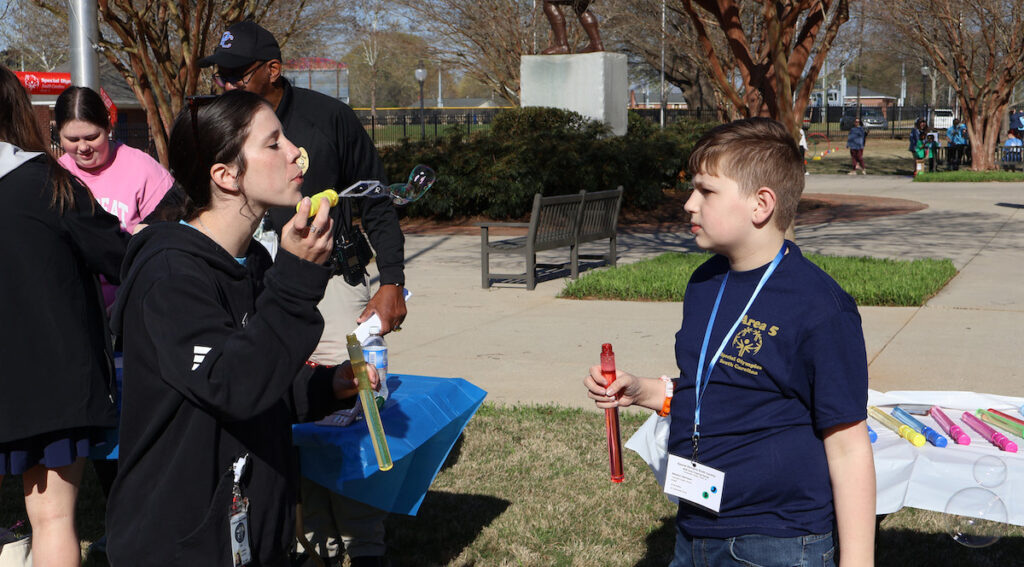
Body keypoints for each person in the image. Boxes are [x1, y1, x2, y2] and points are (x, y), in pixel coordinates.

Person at [584, 118, 875, 567]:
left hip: (776, 539)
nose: (688, 204)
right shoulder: (705, 281)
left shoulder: (821, 309)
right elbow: (714, 387)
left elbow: (849, 446)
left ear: (761, 204)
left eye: (706, 191)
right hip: (696, 527)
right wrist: (642, 390)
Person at [105, 90, 378, 565]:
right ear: (226, 175)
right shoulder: (170, 275)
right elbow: (231, 383)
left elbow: (259, 370)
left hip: (250, 530)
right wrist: (295, 281)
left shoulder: (250, 260)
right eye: (274, 143)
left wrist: (321, 386)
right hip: (184, 541)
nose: (296, 152)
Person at [193, 21, 404, 566]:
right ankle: (317, 542)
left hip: (332, 284)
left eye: (237, 74)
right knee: (284, 408)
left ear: (272, 70)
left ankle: (362, 540)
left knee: (348, 409)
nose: (226, 83)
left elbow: (377, 199)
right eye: (220, 75)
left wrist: (393, 281)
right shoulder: (223, 126)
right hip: (262, 284)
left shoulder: (327, 117)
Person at [0, 63, 128, 567]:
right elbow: (119, 255)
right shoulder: (47, 183)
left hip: (40, 382)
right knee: (52, 519)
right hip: (52, 381)